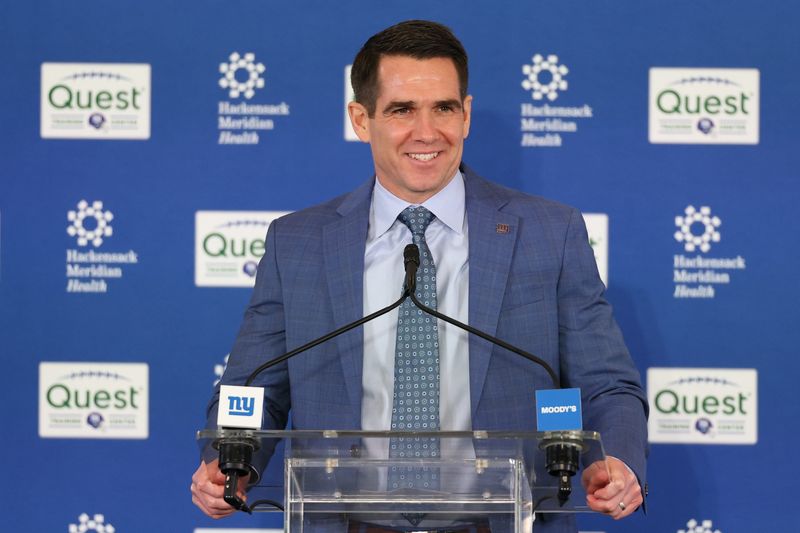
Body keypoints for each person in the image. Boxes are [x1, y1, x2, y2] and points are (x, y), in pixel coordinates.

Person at [191, 19, 648, 532]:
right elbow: (255, 388)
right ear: (361, 120)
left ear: (467, 114)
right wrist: (227, 462)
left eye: (444, 108)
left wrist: (620, 459)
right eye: (402, 110)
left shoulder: (550, 233)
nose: (427, 132)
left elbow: (607, 385)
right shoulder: (296, 243)